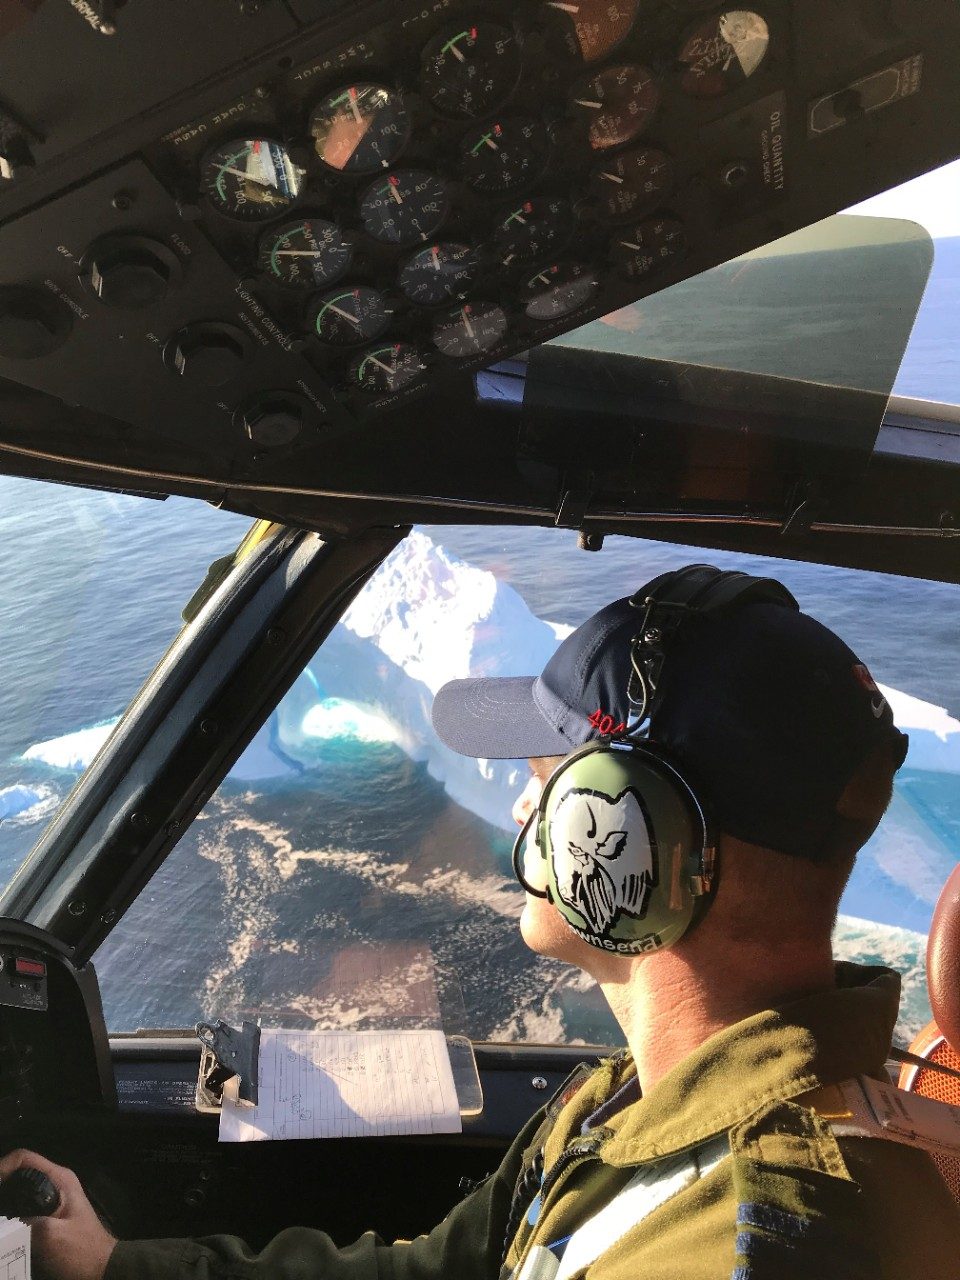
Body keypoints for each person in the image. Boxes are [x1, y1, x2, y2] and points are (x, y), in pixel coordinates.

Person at [4, 565, 960, 1279]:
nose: (517, 816)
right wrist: (115, 1265)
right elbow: (436, 1274)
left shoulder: (759, 1242)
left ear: (627, 841)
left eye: (546, 787)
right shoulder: (629, 1104)